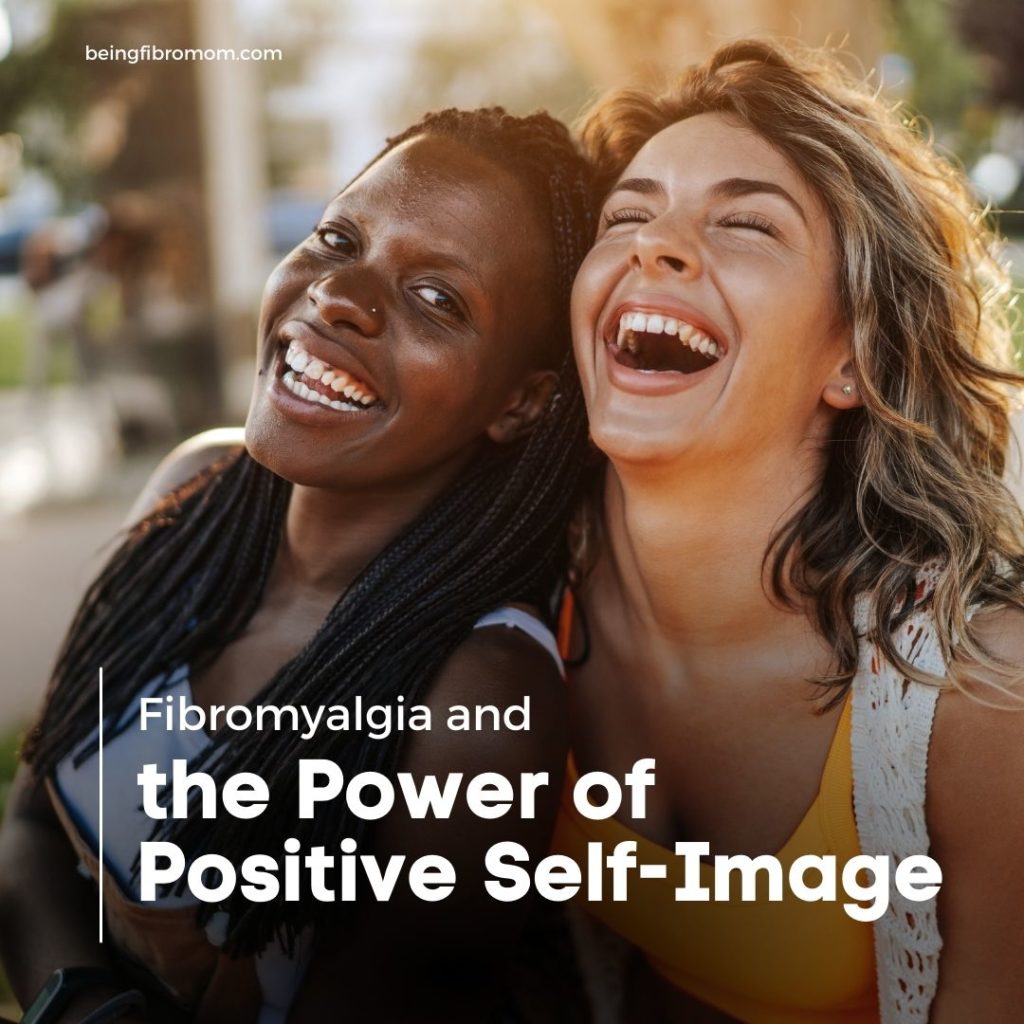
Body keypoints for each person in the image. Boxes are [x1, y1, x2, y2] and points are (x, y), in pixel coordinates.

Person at [0, 107, 595, 1024]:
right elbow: (29, 830)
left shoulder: (482, 698)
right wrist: (87, 1004)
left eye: (438, 298)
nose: (341, 294)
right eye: (336, 237)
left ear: (520, 403)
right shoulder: (193, 490)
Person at [553, 40, 1024, 1024]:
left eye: (745, 226)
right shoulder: (510, 581)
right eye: (626, 214)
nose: (655, 244)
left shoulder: (983, 699)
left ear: (851, 360)